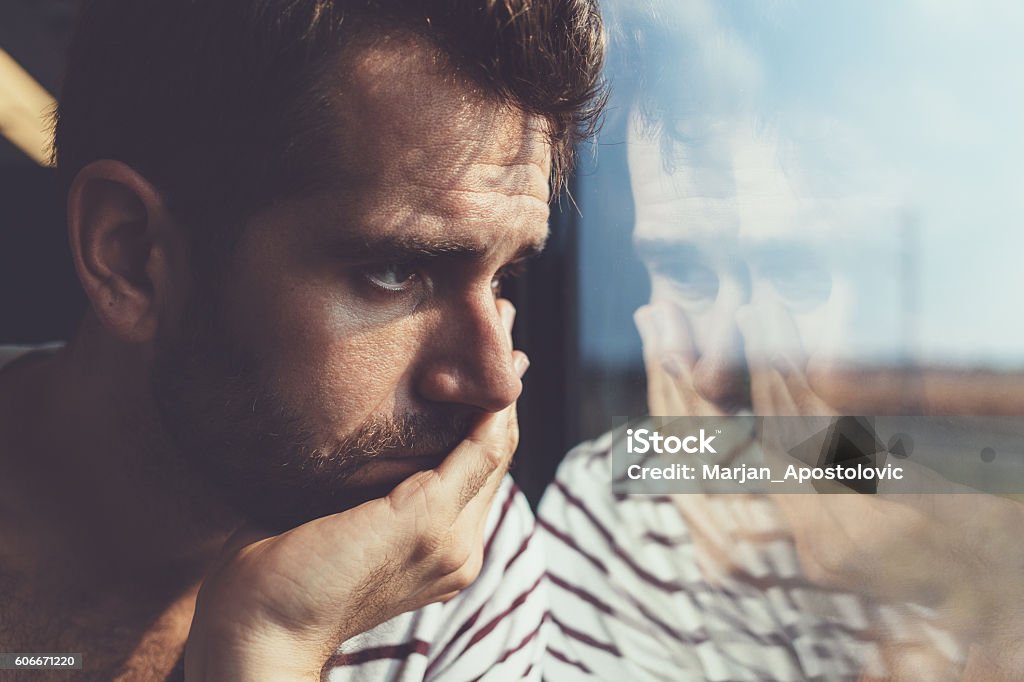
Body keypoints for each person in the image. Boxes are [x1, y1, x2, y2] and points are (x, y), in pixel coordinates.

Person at [0, 0, 605, 679]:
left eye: (504, 277)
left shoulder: (453, 565)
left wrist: (273, 643)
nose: (498, 380)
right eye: (394, 270)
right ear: (133, 256)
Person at [541, 1, 1024, 679]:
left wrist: (961, 574)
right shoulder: (620, 503)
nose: (718, 365)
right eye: (684, 271)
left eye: (795, 274)